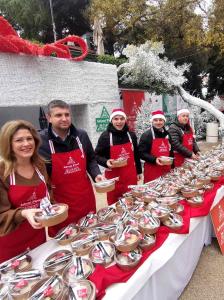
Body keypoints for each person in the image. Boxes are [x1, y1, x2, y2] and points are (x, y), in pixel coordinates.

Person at [39, 100, 102, 236]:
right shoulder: (40, 141)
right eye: (58, 115)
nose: (64, 119)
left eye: (67, 114)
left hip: (84, 197)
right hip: (60, 203)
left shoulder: (81, 135)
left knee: (89, 232)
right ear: (49, 117)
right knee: (65, 239)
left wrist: (96, 174)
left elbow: (91, 159)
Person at [0, 120, 49, 263]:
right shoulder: (3, 172)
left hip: (37, 236)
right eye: (19, 140)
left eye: (29, 138)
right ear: (8, 144)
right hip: (11, 242)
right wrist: (23, 213)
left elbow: (48, 195)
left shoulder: (40, 165)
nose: (26, 144)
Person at [95, 109, 142, 205]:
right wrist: (106, 161)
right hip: (114, 178)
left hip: (130, 176)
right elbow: (96, 155)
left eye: (121, 119)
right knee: (114, 204)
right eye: (116, 119)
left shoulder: (131, 135)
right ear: (111, 121)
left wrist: (139, 171)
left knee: (131, 201)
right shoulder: (105, 136)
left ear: (125, 120)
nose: (119, 121)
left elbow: (136, 154)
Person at [139, 110, 173, 183]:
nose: (158, 122)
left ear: (164, 121)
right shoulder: (147, 135)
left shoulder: (167, 134)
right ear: (152, 122)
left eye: (160, 120)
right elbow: (141, 153)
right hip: (152, 170)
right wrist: (154, 160)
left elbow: (171, 151)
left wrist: (172, 165)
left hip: (166, 169)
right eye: (155, 120)